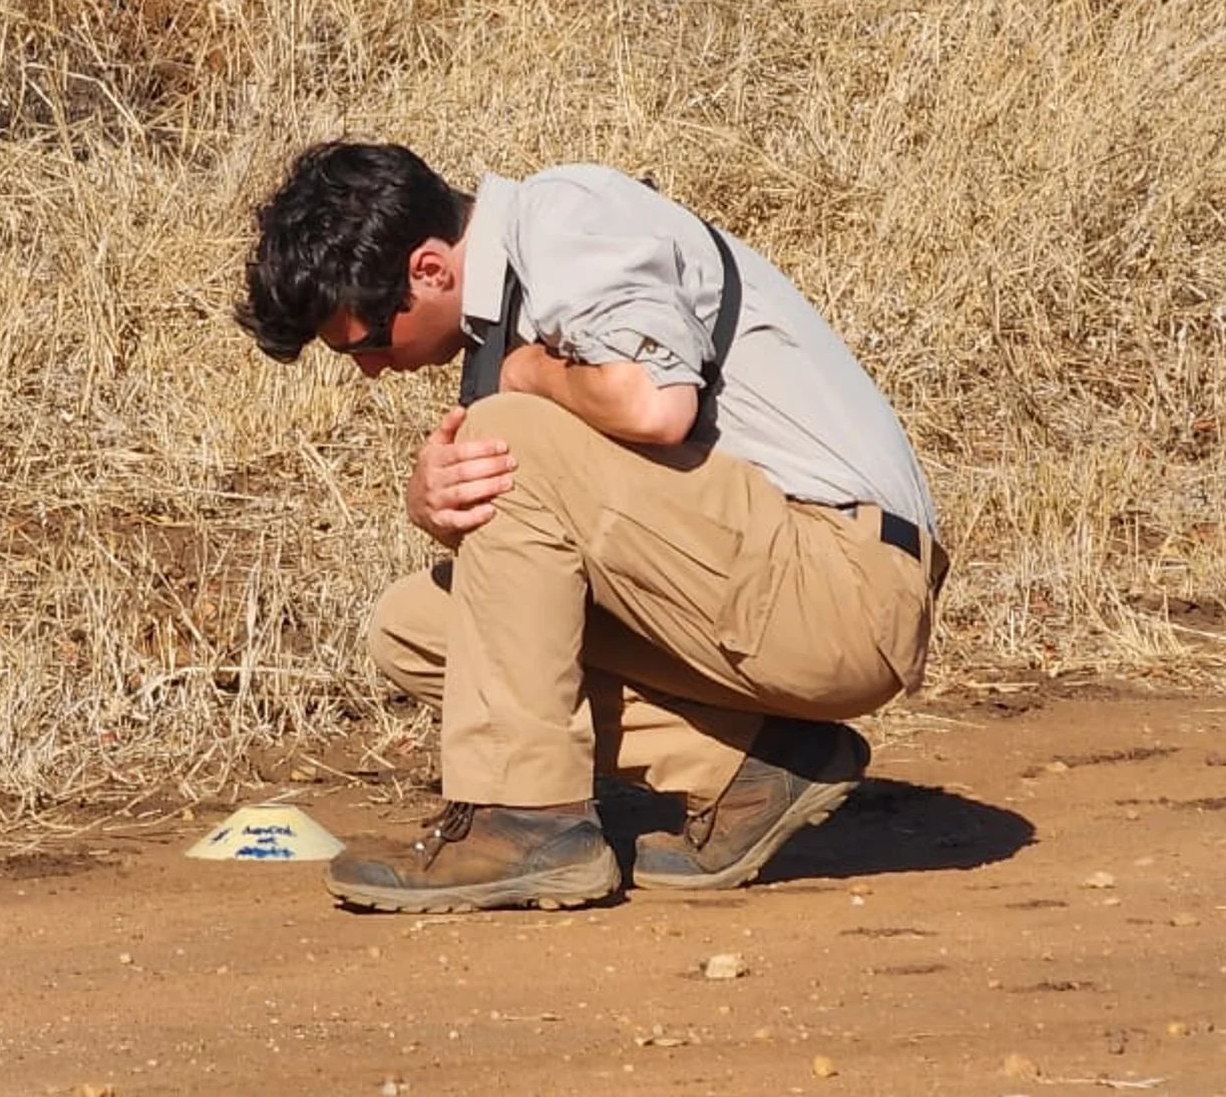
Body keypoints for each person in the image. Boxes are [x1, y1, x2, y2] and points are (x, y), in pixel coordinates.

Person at [235, 141, 947, 914]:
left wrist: (526, 377)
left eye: (366, 343)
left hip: (846, 585)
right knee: (415, 627)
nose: (370, 371)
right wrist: (435, 505)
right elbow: (543, 558)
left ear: (430, 270)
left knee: (508, 432)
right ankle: (752, 770)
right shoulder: (508, 297)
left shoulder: (565, 218)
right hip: (775, 587)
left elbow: (654, 406)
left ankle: (527, 822)